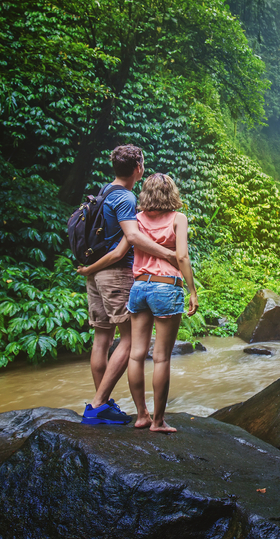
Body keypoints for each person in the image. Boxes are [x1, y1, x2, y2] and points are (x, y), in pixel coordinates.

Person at [79, 173, 197, 432]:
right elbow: (183, 257)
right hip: (166, 287)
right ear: (171, 193)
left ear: (146, 193)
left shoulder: (137, 219)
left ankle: (141, 416)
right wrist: (192, 290)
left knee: (136, 355)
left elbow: (119, 253)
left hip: (139, 287)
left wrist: (89, 269)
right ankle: (158, 421)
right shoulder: (179, 219)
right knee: (162, 358)